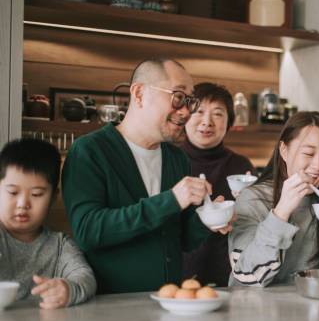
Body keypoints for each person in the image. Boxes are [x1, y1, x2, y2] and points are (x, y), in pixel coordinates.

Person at [62, 58, 230, 294]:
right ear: (139, 93)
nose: (185, 112)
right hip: (110, 308)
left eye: (189, 101)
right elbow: (89, 231)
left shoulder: (176, 158)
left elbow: (180, 240)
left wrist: (207, 220)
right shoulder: (90, 151)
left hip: (168, 301)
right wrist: (171, 200)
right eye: (178, 97)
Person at [228, 111, 319, 287]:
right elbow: (248, 275)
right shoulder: (252, 199)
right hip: (254, 310)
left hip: (311, 308)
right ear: (284, 150)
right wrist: (281, 211)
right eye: (309, 154)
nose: (318, 165)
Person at [0, 138, 96, 308]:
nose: (23, 204)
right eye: (13, 192)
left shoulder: (59, 245)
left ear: (53, 197)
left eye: (36, 194)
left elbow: (84, 276)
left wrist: (68, 290)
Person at [182, 82, 254, 286]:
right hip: (179, 275)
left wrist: (251, 202)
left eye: (218, 114)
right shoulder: (169, 161)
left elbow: (253, 225)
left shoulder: (242, 166)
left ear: (229, 122)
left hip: (231, 275)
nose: (207, 122)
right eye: (199, 111)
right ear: (185, 116)